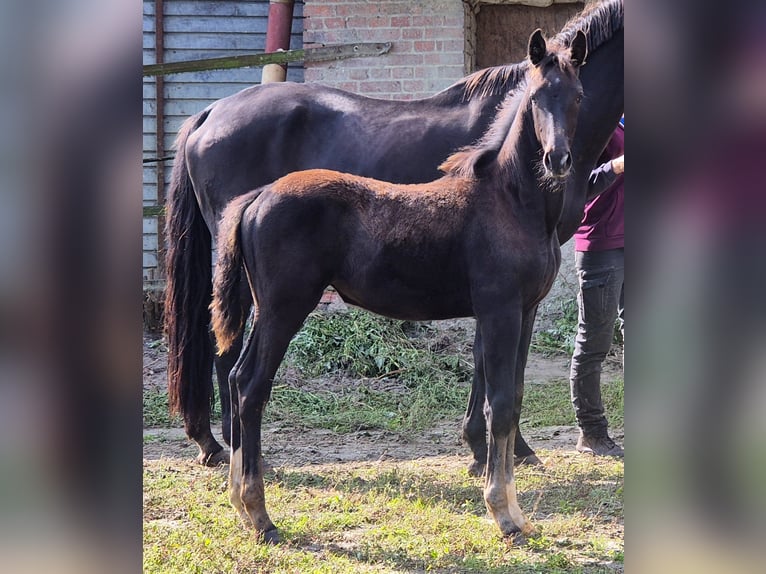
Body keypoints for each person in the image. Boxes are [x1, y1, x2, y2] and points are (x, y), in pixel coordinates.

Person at [569, 120, 625, 457]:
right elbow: (574, 185)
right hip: (601, 244)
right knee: (594, 341)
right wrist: (616, 166)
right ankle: (591, 433)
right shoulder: (595, 120)